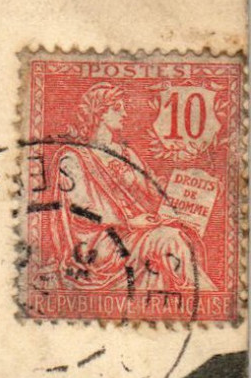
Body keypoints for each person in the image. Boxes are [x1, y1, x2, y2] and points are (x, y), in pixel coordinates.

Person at [37, 82, 217, 296]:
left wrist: (193, 190)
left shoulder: (127, 154)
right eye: (117, 108)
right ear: (101, 114)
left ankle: (200, 296)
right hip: (101, 242)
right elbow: (80, 210)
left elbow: (153, 190)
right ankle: (205, 297)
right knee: (170, 239)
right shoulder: (74, 158)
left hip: (137, 230)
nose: (124, 113)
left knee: (177, 236)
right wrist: (129, 222)